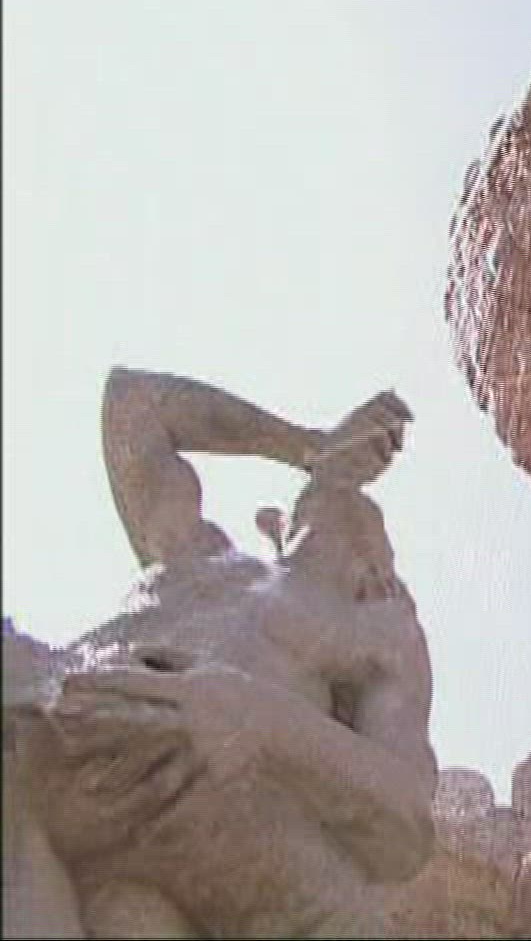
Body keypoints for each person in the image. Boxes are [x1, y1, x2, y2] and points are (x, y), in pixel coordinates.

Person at [11, 369, 437, 938]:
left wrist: (253, 718)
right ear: (275, 528)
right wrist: (307, 447)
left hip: (229, 817)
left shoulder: (379, 634)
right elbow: (133, 402)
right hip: (64, 751)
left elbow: (406, 828)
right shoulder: (196, 556)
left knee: (129, 913)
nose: (351, 513)